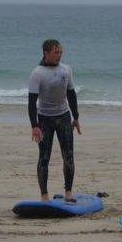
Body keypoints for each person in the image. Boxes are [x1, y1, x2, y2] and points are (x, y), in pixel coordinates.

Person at [28, 39, 82, 203]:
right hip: (45, 119)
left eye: (60, 52)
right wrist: (35, 126)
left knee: (69, 156)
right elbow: (31, 102)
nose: (59, 55)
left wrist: (76, 117)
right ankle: (44, 196)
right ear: (46, 53)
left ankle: (68, 193)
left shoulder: (66, 69)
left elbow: (71, 94)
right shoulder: (37, 73)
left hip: (64, 116)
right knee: (44, 157)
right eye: (55, 52)